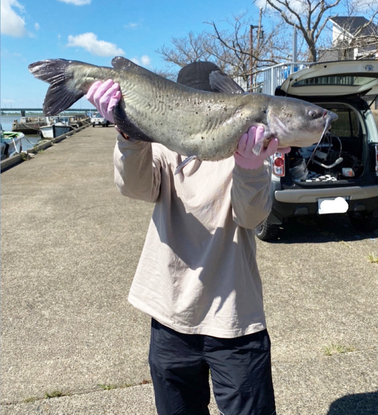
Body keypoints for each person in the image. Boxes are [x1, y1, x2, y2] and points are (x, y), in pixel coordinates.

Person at [86, 62, 290, 415]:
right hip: (170, 312)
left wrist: (250, 167)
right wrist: (128, 134)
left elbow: (252, 216)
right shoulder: (164, 145)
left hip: (235, 318)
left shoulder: (250, 146)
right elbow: (134, 187)